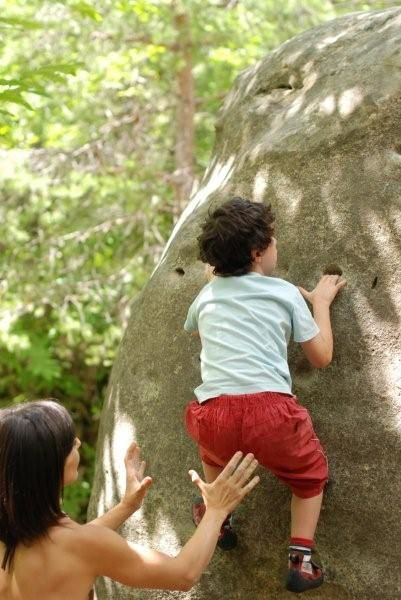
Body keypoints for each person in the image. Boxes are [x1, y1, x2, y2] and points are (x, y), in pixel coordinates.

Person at [184, 197, 346, 594]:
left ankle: (217, 519)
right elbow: (321, 356)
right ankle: (300, 560)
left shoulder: (205, 298)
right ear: (259, 253)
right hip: (270, 412)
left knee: (214, 455)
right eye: (273, 242)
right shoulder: (285, 293)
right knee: (309, 477)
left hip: (214, 412)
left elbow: (198, 332)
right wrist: (321, 303)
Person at [0, 399, 259, 600]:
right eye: (69, 443)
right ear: (48, 467)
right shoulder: (82, 545)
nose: (78, 442)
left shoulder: (14, 532)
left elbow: (67, 549)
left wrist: (127, 506)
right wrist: (216, 509)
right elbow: (183, 574)